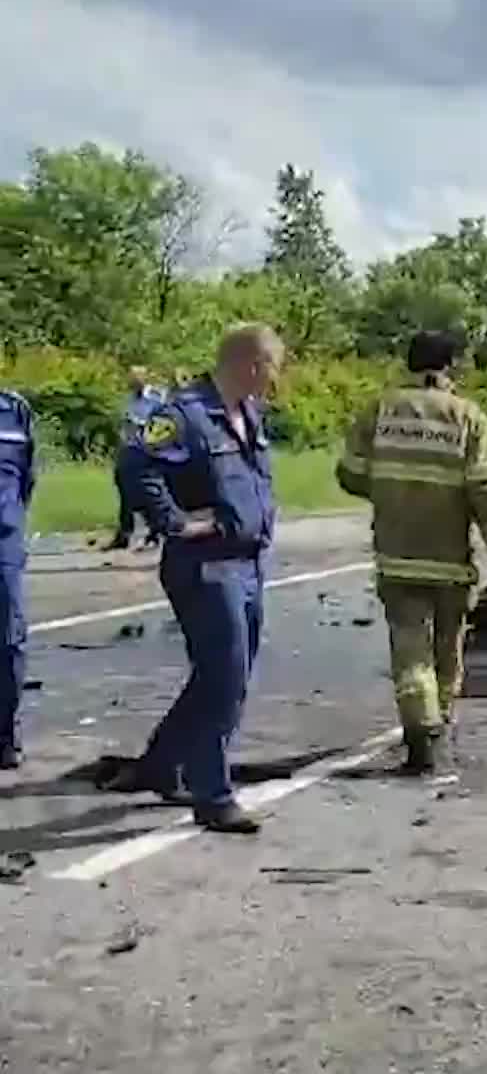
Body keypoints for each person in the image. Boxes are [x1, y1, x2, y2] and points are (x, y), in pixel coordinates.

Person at [109, 324, 283, 832]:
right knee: (226, 680)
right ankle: (212, 795)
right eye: (275, 366)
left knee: (223, 675)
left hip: (247, 562)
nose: (278, 378)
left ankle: (161, 765)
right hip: (206, 565)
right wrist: (176, 522)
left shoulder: (248, 414)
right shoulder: (182, 416)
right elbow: (134, 465)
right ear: (251, 364)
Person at [336, 331, 487, 774]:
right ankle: (442, 724)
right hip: (450, 559)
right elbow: (483, 486)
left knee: (409, 649)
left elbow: (351, 474)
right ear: (450, 366)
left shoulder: (379, 410)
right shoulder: (467, 417)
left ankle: (421, 739)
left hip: (397, 556)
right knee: (447, 649)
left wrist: (392, 492)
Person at [0, 390, 35, 770]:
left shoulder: (13, 410)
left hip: (3, 542)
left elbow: (27, 478)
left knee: (9, 640)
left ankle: (5, 734)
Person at [107, 367, 167, 551]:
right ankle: (124, 533)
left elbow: (162, 424)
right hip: (129, 449)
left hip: (146, 450)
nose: (132, 382)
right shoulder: (130, 400)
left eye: (135, 378)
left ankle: (156, 531)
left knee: (145, 492)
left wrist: (140, 425)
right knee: (123, 488)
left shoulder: (157, 398)